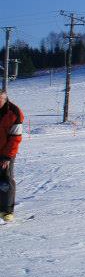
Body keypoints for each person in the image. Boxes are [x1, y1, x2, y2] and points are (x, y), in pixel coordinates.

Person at [0, 90, 24, 222]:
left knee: (5, 180)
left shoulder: (14, 113)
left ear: (4, 99)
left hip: (6, 152)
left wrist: (7, 157)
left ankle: (6, 210)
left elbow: (15, 137)